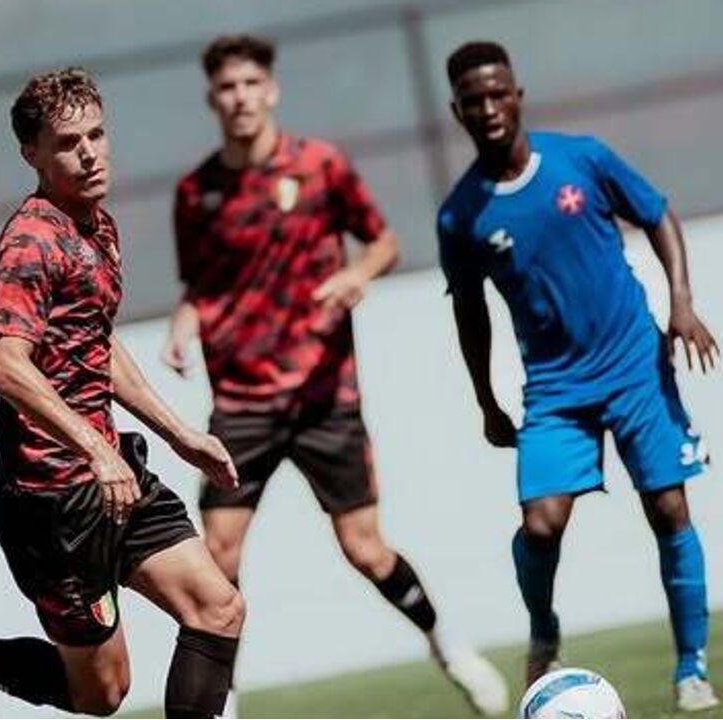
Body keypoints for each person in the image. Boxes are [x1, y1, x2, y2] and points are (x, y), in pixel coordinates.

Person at [162, 34, 507, 716]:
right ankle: (222, 701)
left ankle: (446, 642)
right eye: (227, 88)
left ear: (271, 90)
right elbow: (199, 285)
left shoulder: (321, 166)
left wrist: (356, 273)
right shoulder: (196, 193)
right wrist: (182, 322)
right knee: (216, 561)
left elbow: (384, 241)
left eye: (251, 84)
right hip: (241, 404)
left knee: (364, 548)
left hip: (325, 397)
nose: (240, 98)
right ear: (212, 99)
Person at [0, 67, 246, 718]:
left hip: (111, 473)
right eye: (69, 142)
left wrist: (177, 433)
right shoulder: (31, 239)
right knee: (100, 694)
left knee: (218, 607)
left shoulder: (97, 224)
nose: (90, 152)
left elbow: (94, 346)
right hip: (53, 501)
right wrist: (94, 451)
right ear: (32, 154)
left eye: (97, 135)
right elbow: (6, 365)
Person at [438, 40, 720, 711]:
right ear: (458, 111)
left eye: (497, 92)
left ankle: (692, 667)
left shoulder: (581, 158)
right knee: (540, 524)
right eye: (473, 100)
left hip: (634, 366)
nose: (488, 107)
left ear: (517, 95)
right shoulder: (461, 214)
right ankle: (544, 631)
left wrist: (680, 302)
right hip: (556, 386)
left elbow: (657, 213)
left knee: (669, 507)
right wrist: (484, 400)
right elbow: (471, 314)